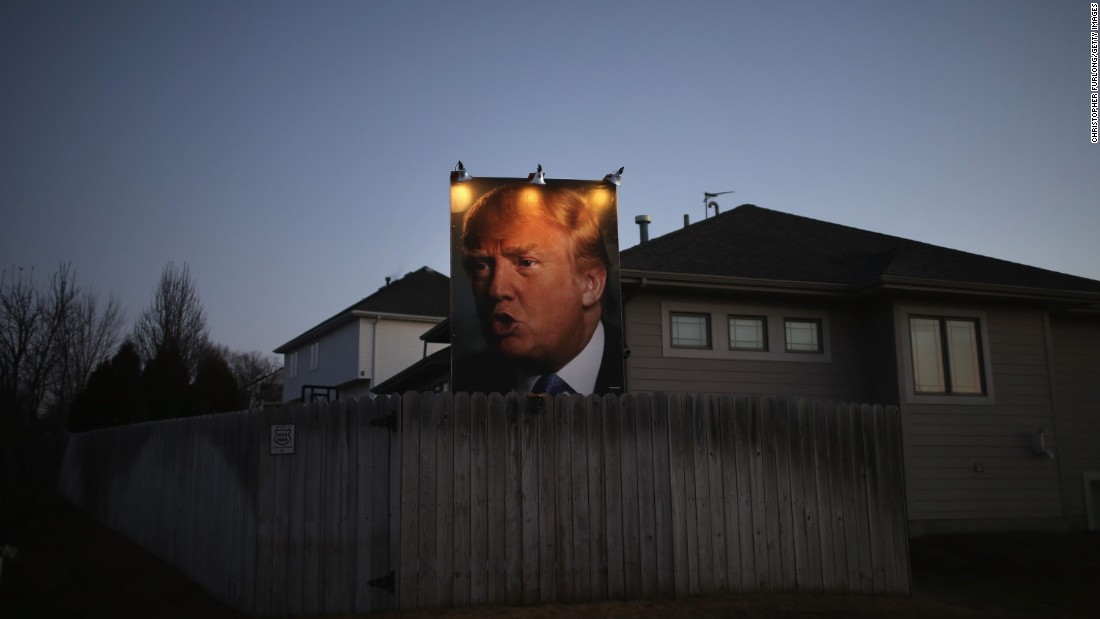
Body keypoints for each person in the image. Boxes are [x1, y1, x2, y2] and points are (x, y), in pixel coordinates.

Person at [453, 182, 623, 395]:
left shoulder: (632, 366)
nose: (496, 290)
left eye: (525, 262)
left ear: (590, 284)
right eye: (481, 266)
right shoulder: (463, 383)